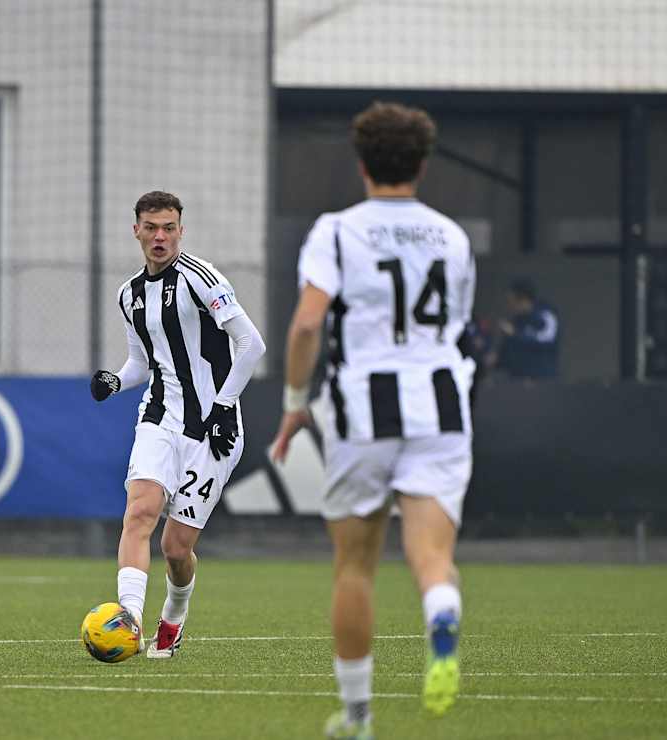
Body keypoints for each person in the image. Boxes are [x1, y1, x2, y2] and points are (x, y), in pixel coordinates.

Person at [270, 102, 475, 739]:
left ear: (361, 164)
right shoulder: (452, 235)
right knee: (431, 555)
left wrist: (295, 401)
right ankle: (441, 608)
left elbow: (308, 322)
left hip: (365, 410)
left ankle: (357, 717)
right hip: (442, 405)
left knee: (355, 566)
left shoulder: (337, 230)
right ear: (421, 164)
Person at [90, 191, 265, 658]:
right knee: (140, 512)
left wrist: (225, 404)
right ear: (137, 231)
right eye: (151, 227)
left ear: (181, 230)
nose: (160, 236)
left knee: (175, 546)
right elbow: (141, 363)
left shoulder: (202, 279)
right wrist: (115, 380)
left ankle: (174, 615)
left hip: (212, 429)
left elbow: (252, 345)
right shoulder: (129, 294)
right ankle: (128, 621)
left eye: (169, 227)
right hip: (160, 415)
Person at [494, 277, 560, 379]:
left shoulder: (545, 315)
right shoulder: (517, 321)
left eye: (511, 301)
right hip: (518, 380)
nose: (510, 306)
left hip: (543, 379)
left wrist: (516, 334)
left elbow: (547, 340)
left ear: (523, 299)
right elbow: (507, 352)